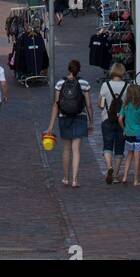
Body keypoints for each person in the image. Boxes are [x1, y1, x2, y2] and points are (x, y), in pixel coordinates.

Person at [46, 58, 93, 188]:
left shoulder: (60, 83)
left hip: (64, 117)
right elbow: (88, 105)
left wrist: (50, 126)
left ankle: (65, 178)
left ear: (68, 69)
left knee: (66, 149)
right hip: (80, 117)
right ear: (79, 70)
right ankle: (75, 180)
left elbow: (56, 105)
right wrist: (91, 122)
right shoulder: (84, 83)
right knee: (76, 149)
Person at [98, 62, 128, 184]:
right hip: (122, 121)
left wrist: (106, 106)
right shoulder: (127, 86)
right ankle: (115, 175)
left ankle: (109, 166)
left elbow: (100, 104)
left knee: (107, 145)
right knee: (120, 149)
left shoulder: (105, 85)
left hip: (107, 119)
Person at [119, 82, 140, 186]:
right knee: (137, 157)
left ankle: (125, 176)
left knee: (129, 155)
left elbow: (120, 119)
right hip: (139, 133)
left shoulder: (125, 106)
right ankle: (136, 180)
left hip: (128, 133)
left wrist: (124, 128)